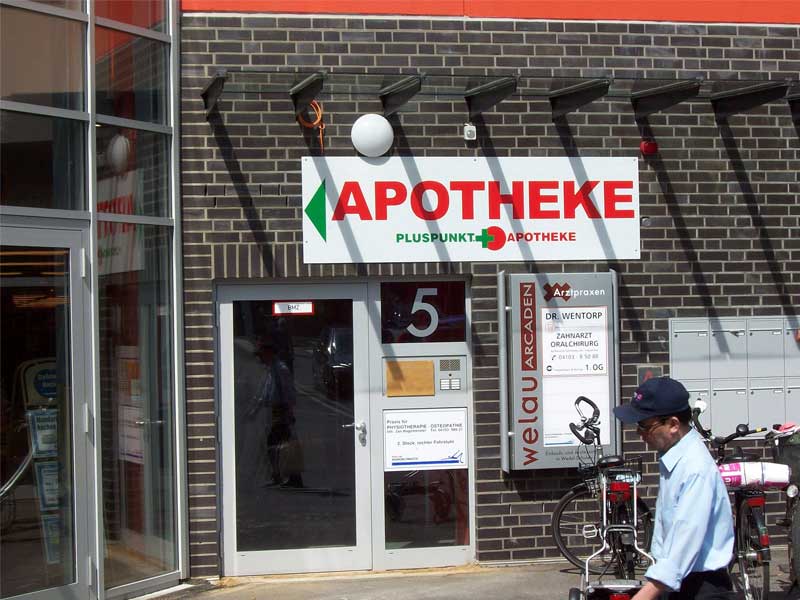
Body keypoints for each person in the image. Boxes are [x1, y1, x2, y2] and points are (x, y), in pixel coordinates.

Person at [613, 376, 735, 600]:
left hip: (700, 587)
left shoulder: (695, 468)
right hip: (678, 582)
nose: (639, 433)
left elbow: (684, 543)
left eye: (644, 426)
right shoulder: (674, 456)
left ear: (673, 425)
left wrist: (644, 595)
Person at [248, 339, 302, 488]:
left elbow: (288, 392)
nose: (260, 359)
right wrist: (254, 410)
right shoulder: (272, 370)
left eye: (261, 355)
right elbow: (266, 393)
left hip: (282, 410)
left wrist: (288, 412)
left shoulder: (280, 370)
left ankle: (284, 476)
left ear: (269, 353)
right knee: (282, 444)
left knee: (276, 443)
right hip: (276, 411)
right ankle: (288, 477)